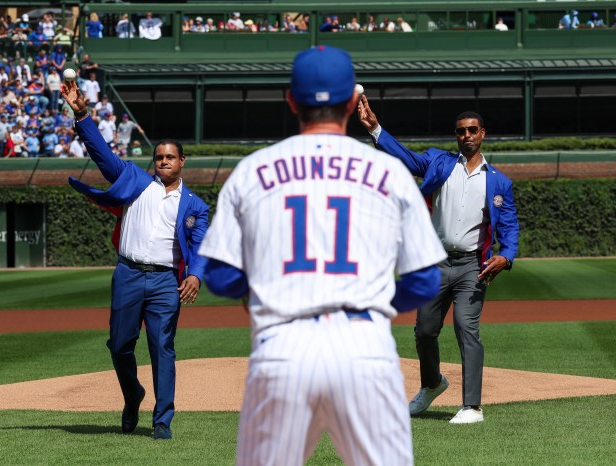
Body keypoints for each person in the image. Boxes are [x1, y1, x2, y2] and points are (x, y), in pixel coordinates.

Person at [199, 45, 446, 466]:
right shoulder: (389, 173)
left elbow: (219, 275)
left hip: (282, 347)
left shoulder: (253, 171)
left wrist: (255, 283)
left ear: (291, 100)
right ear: (352, 102)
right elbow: (424, 280)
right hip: (365, 348)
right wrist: (373, 298)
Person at [61, 80, 210, 440]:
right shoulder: (136, 182)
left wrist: (197, 276)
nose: (163, 162)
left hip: (163, 283)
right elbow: (103, 156)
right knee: (119, 345)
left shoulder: (195, 206)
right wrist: (82, 115)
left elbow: (203, 245)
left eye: (170, 157)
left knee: (162, 349)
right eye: (159, 157)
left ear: (181, 162)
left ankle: (162, 420)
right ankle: (133, 395)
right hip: (127, 274)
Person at [358, 98, 520, 424]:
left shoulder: (498, 181)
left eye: (473, 130)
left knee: (466, 327)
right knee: (424, 331)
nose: (467, 135)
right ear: (456, 135)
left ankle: (472, 406)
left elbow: (509, 225)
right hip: (434, 263)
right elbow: (407, 159)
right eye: (461, 131)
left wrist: (507, 255)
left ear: (483, 134)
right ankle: (432, 384)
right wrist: (375, 129)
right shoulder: (440, 163)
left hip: (472, 267)